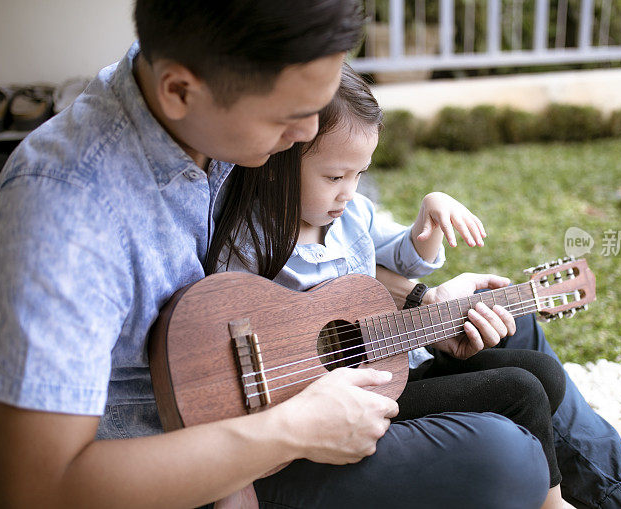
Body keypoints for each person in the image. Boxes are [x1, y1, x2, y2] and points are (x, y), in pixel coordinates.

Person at [0, 0, 621, 508]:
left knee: (514, 331)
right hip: (192, 466)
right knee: (503, 456)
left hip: (293, 382)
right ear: (180, 90)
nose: (311, 132)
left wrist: (426, 300)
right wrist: (293, 429)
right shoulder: (68, 206)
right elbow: (34, 489)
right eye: (292, 117)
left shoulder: (217, 111)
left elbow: (314, 270)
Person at [214, 63, 568, 507]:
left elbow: (405, 256)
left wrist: (430, 218)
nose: (348, 191)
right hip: (337, 408)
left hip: (393, 367)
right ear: (276, 160)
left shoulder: (352, 215)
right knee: (521, 391)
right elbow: (226, 327)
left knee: (544, 373)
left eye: (359, 174)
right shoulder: (249, 244)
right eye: (334, 177)